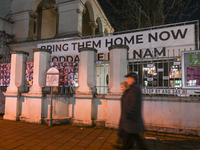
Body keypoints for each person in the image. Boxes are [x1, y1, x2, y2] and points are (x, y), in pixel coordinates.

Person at [121, 72, 148, 150]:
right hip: (130, 120)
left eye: (128, 78)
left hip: (131, 120)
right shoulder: (131, 88)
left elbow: (134, 104)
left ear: (133, 79)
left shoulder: (135, 89)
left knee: (137, 139)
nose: (127, 80)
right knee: (129, 138)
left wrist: (127, 114)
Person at [113, 81, 130, 149]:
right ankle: (125, 144)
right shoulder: (126, 94)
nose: (121, 89)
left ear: (125, 87)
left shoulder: (127, 95)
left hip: (126, 116)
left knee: (125, 132)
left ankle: (125, 145)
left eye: (122, 87)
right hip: (125, 116)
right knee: (125, 132)